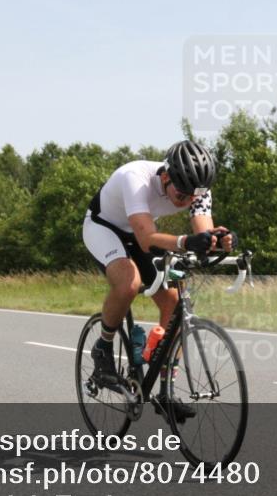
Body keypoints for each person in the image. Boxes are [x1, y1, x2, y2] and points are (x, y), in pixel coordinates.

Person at [82, 140, 236, 417]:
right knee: (129, 283)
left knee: (174, 303)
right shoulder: (136, 178)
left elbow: (204, 234)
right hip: (103, 227)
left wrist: (219, 241)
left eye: (193, 196)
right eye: (182, 194)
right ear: (166, 176)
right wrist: (188, 241)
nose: (188, 200)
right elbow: (147, 239)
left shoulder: (198, 190)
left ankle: (165, 390)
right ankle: (103, 348)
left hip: (139, 232)